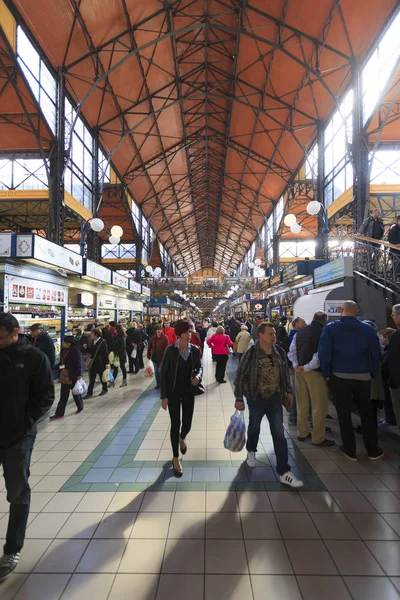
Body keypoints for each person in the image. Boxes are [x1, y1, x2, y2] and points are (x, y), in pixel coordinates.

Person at [0, 313, 54, 582]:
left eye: (0, 337)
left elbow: (46, 395)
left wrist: (26, 421)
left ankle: (12, 548)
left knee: (18, 490)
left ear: (15, 332)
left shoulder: (34, 358)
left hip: (18, 436)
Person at [234, 321, 303, 488]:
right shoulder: (251, 353)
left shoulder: (279, 351)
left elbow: (285, 374)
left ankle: (284, 472)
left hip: (274, 398)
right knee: (254, 427)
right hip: (255, 398)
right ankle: (251, 451)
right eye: (271, 333)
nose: (274, 336)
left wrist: (288, 391)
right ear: (261, 335)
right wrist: (238, 398)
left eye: (274, 333)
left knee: (279, 432)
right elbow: (240, 376)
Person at [318, 301, 383, 461]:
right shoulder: (368, 329)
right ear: (356, 312)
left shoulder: (331, 328)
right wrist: (372, 372)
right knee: (366, 413)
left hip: (339, 376)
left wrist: (326, 373)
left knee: (344, 413)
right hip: (363, 376)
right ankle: (373, 450)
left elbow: (324, 353)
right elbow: (376, 354)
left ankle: (350, 450)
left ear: (341, 311)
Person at [160, 320, 203, 477]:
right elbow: (163, 374)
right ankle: (175, 458)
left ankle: (182, 437)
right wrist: (164, 396)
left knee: (187, 423)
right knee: (175, 423)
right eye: (187, 331)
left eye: (190, 331)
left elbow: (199, 367)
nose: (190, 333)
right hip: (173, 392)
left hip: (188, 392)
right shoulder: (171, 351)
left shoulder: (195, 350)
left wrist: (198, 376)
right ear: (180, 334)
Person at [288, 312, 335, 446]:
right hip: (314, 372)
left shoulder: (300, 332)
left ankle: (302, 433)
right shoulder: (323, 333)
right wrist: (307, 367)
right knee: (318, 405)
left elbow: (292, 351)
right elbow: (320, 355)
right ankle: (318, 437)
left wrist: (297, 365)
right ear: (324, 321)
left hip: (298, 372)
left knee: (302, 403)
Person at [49, 336, 84, 420]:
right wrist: (55, 367)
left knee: (75, 392)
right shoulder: (64, 351)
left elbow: (78, 363)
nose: (62, 344)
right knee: (63, 395)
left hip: (73, 375)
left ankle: (80, 406)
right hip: (65, 376)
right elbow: (63, 363)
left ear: (69, 343)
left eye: (64, 342)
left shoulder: (75, 351)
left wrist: (79, 374)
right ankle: (59, 413)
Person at [287, 317, 306, 426]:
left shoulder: (294, 334)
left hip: (296, 366)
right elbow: (292, 352)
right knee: (296, 391)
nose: (305, 323)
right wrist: (296, 365)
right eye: (303, 322)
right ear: (297, 325)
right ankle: (293, 417)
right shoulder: (295, 335)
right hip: (296, 367)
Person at [83, 327, 110, 398]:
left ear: (96, 334)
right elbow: (92, 352)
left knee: (102, 377)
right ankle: (89, 393)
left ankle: (105, 389)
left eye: (92, 333)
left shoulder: (102, 342)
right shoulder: (92, 341)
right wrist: (87, 348)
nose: (91, 335)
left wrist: (107, 363)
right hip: (93, 363)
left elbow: (105, 353)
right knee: (91, 379)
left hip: (100, 363)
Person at [379, 328, 396, 426]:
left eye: (381, 336)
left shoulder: (390, 351)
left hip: (388, 380)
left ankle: (390, 420)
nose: (380, 338)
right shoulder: (389, 350)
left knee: (389, 402)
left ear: (387, 338)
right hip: (387, 380)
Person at [388, 304, 400, 431]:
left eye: (393, 315)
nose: (392, 318)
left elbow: (393, 360)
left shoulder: (396, 336)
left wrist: (394, 381)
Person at [388, 215, 400, 280]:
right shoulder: (393, 229)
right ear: (398, 221)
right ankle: (395, 280)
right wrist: (396, 244)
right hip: (394, 251)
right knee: (396, 267)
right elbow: (390, 239)